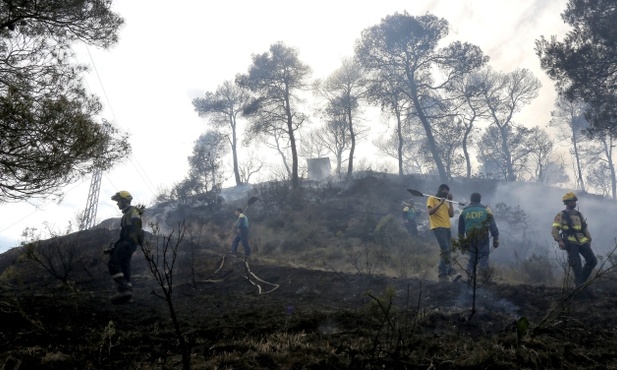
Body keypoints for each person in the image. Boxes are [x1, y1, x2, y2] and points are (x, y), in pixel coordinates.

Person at [551, 192, 597, 287]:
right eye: (572, 201)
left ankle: (580, 282)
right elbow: (555, 229)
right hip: (570, 242)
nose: (574, 203)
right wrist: (559, 240)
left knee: (592, 261)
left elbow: (584, 228)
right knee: (577, 264)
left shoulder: (579, 214)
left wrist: (589, 240)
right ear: (567, 202)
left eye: (575, 201)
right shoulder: (561, 215)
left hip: (582, 241)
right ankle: (580, 287)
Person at [107, 191, 144, 303]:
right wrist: (115, 247)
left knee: (113, 263)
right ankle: (128, 295)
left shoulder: (134, 211)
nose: (117, 203)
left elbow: (137, 227)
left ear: (125, 200)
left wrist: (129, 242)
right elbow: (123, 235)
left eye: (118, 201)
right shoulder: (125, 215)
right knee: (124, 266)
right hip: (127, 241)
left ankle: (123, 290)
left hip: (129, 241)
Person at [458, 193, 499, 283]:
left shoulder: (464, 211)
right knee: (483, 255)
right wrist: (495, 238)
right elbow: (492, 225)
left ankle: (469, 276)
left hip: (470, 236)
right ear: (480, 199)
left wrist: (462, 240)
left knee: (472, 256)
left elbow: (461, 228)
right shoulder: (486, 210)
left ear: (471, 199)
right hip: (482, 235)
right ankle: (483, 277)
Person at [427, 184, 458, 281]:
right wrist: (440, 203)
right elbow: (430, 212)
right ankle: (450, 271)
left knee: (446, 250)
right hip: (438, 228)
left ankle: (442, 274)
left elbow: (451, 215)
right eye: (444, 192)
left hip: (447, 228)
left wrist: (450, 202)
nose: (446, 194)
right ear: (440, 190)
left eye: (447, 193)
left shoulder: (445, 202)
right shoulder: (432, 198)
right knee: (445, 249)